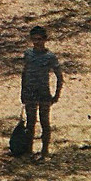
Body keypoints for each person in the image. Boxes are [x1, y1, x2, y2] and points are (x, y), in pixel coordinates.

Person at [20, 25, 64, 160]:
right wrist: (22, 91)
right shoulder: (28, 54)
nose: (37, 42)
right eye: (34, 39)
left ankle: (45, 151)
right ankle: (29, 149)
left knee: (45, 121)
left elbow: (59, 76)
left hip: (43, 91)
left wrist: (56, 94)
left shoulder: (50, 56)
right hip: (30, 91)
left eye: (39, 39)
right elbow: (24, 72)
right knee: (30, 121)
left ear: (45, 39)